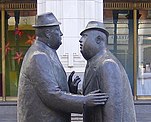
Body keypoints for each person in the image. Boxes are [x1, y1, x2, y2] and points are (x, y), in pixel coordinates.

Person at [17, 12, 108, 122]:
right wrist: (85, 101)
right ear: (47, 34)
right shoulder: (38, 56)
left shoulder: (48, 52)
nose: (61, 34)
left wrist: (69, 89)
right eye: (57, 30)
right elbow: (51, 95)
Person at [78, 21, 137, 122]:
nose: (80, 40)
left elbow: (113, 111)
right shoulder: (93, 63)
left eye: (85, 36)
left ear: (99, 40)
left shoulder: (107, 64)